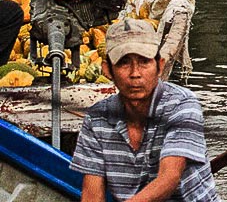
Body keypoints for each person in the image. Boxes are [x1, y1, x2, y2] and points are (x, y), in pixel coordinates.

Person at [73, 16, 218, 202]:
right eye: (124, 63)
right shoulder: (96, 119)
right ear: (107, 70)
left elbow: (169, 177)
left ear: (160, 66)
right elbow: (92, 194)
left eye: (144, 62)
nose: (135, 74)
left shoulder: (181, 105)